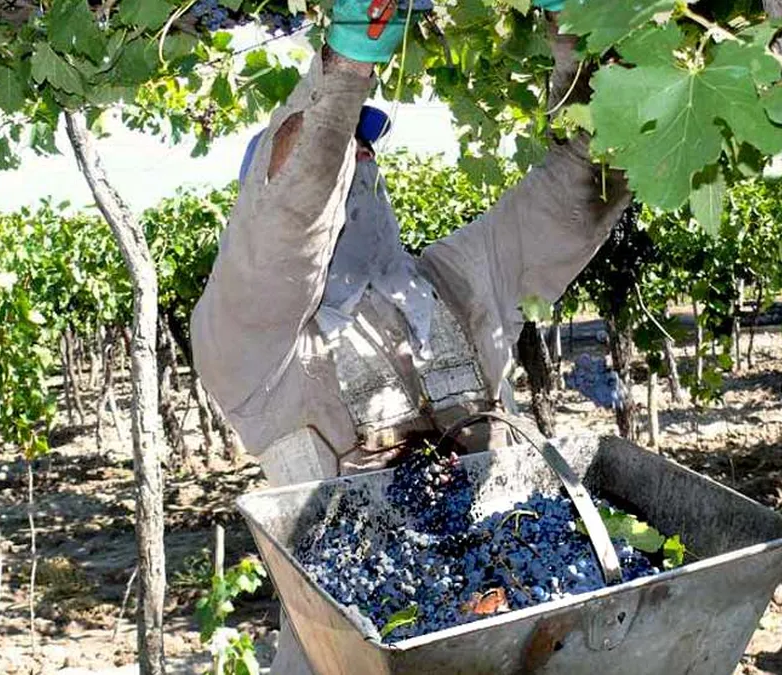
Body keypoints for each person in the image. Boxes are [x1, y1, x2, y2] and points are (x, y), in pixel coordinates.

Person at [190, 0, 629, 671]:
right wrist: (344, 75)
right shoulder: (253, 342)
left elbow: (581, 189)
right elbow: (287, 226)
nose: (359, 162)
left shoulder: (457, 282)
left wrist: (577, 35)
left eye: (365, 151)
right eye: (343, 153)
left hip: (507, 632)